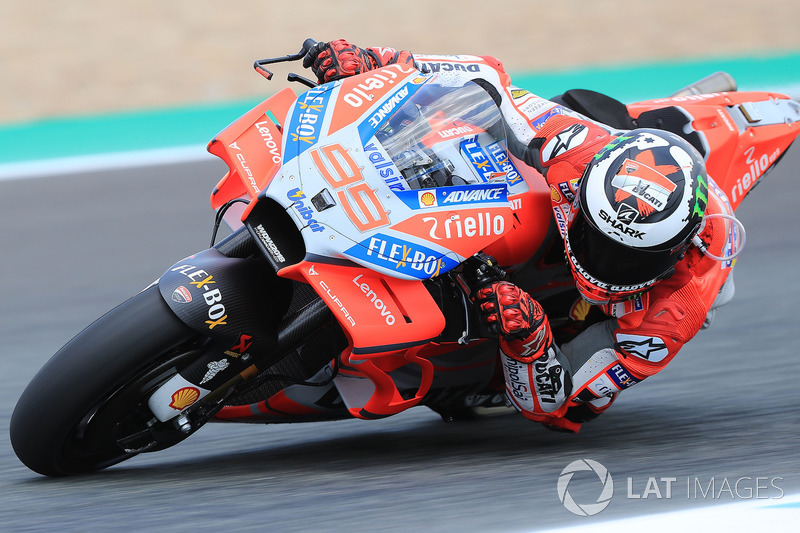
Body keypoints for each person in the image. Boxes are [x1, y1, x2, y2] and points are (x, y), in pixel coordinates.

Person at [302, 39, 741, 432]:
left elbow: (559, 403)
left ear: (677, 250)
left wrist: (529, 339)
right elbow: (486, 78)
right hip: (606, 151)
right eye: (597, 238)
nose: (605, 265)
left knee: (569, 389)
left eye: (627, 257)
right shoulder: (575, 150)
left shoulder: (670, 314)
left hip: (634, 310)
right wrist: (378, 62)